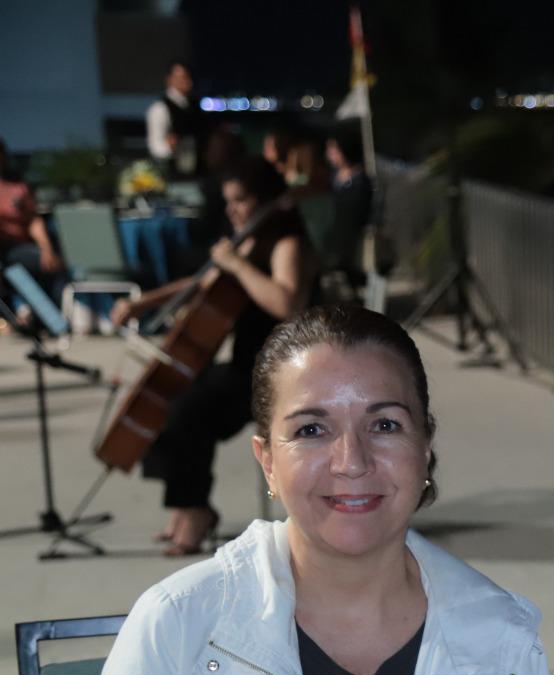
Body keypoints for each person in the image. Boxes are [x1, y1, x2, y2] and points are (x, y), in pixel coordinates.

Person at [53, 305, 554, 675]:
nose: (352, 462)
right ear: (267, 462)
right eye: (311, 430)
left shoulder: (504, 645)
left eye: (385, 425)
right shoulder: (178, 623)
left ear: (425, 447)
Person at [110, 156, 313, 554]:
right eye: (228, 201)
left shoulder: (288, 243)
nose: (232, 209)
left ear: (266, 199)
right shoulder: (245, 240)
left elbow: (286, 302)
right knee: (167, 394)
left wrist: (236, 264)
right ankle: (185, 504)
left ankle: (196, 510)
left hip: (280, 371)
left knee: (190, 411)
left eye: (241, 200)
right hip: (246, 364)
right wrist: (142, 302)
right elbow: (204, 280)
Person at [0, 136, 66, 317]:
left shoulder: (18, 188)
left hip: (19, 248)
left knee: (53, 264)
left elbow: (34, 220)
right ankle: (19, 311)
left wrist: (46, 248)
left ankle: (53, 316)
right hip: (3, 250)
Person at [323, 124, 373, 286]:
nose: (329, 154)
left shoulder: (360, 179)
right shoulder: (334, 177)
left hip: (354, 240)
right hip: (336, 239)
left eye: (333, 150)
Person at [146, 59, 202, 176]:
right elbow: (156, 146)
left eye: (188, 77)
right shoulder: (160, 108)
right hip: (174, 172)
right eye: (182, 78)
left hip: (198, 169)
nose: (187, 82)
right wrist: (170, 147)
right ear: (169, 79)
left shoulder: (194, 106)